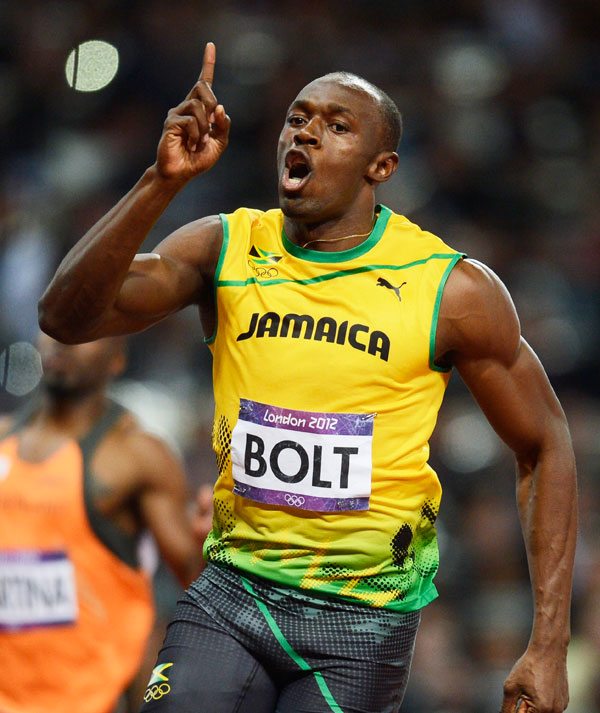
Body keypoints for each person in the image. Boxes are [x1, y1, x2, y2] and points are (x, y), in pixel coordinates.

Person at [38, 42, 577, 713]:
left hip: (361, 619)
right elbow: (65, 317)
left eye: (337, 125)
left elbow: (545, 444)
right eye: (298, 118)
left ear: (381, 167)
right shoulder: (226, 246)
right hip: (232, 590)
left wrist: (548, 645)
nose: (307, 133)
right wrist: (161, 181)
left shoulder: (450, 288)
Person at [0, 333, 210, 713]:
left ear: (117, 359)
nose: (64, 341)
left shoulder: (139, 456)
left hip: (90, 701)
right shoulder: (2, 440)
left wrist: (209, 541)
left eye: (87, 333)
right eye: (56, 328)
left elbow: (197, 583)